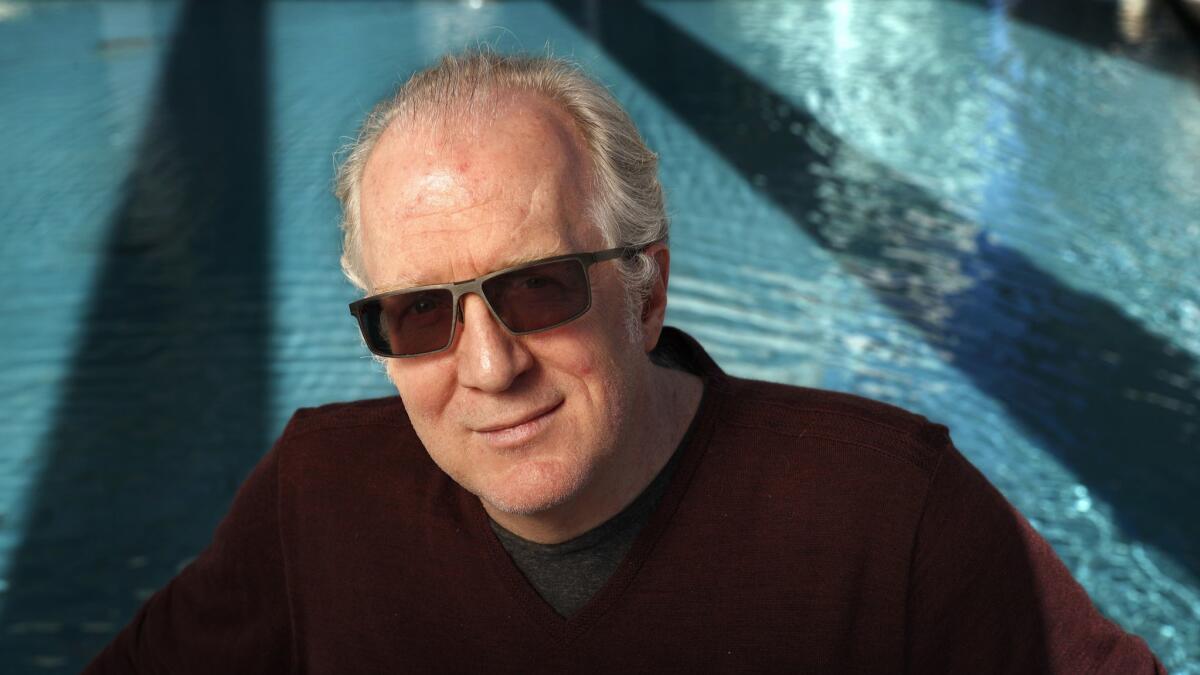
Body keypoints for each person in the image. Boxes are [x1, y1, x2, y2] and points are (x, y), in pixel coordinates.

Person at [85, 51, 1165, 674]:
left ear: (645, 288)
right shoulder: (315, 494)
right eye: (420, 314)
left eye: (537, 287)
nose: (490, 365)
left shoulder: (892, 510)